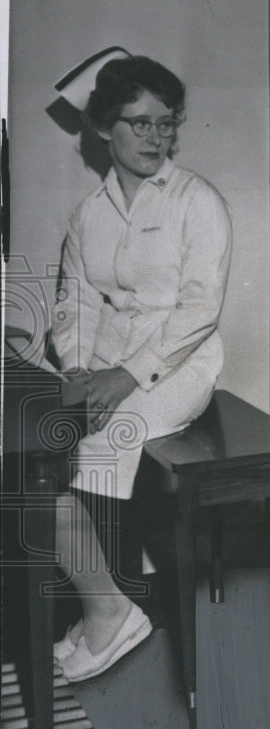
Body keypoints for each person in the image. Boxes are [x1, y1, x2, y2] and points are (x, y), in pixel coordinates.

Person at [48, 53, 232, 682]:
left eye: (166, 124)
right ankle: (102, 601)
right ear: (104, 128)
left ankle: (108, 616)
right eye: (140, 123)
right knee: (33, 442)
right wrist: (76, 371)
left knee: (101, 436)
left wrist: (123, 379)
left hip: (179, 368)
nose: (157, 138)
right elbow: (74, 301)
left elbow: (199, 311)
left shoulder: (196, 201)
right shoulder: (88, 214)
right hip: (103, 363)